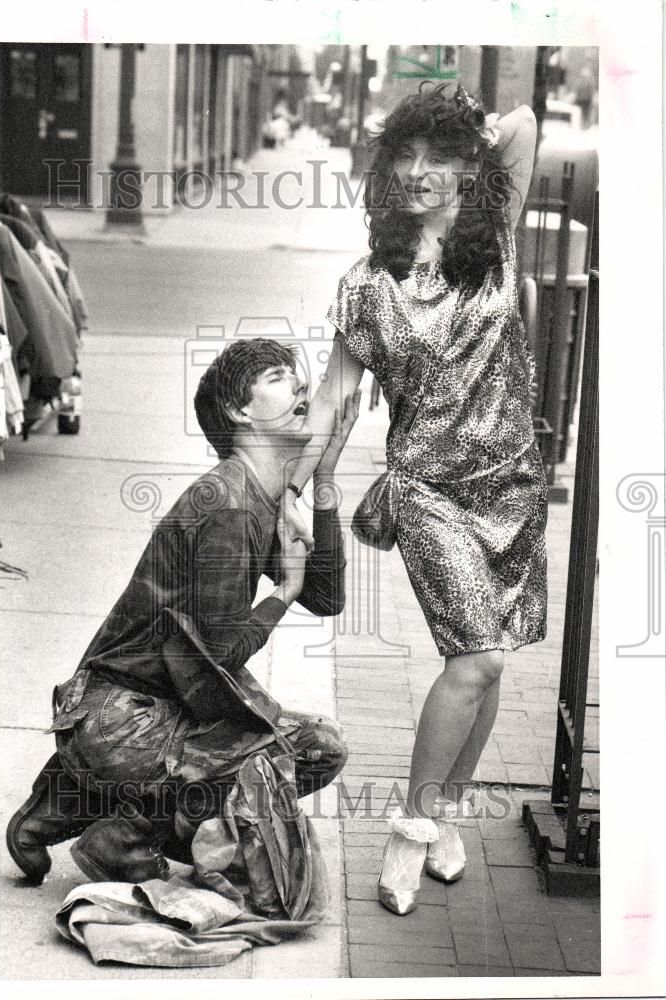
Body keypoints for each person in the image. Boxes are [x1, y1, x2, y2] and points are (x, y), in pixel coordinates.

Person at [283, 82, 545, 915]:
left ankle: (451, 813)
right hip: (426, 487)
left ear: (471, 167)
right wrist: (293, 488)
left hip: (509, 482)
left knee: (489, 653)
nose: (420, 172)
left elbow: (525, 126)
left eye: (439, 157)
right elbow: (330, 396)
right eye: (406, 155)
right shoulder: (368, 285)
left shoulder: (496, 242)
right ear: (386, 166)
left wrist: (460, 122)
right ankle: (411, 827)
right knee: (478, 657)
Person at [6, 338, 359, 887]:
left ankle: (61, 805)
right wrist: (283, 590)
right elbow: (222, 652)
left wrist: (327, 478)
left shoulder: (256, 496)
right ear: (240, 410)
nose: (302, 389)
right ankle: (120, 839)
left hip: (130, 710)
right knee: (296, 754)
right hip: (121, 715)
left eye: (302, 382)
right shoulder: (228, 504)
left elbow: (328, 598)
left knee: (294, 740)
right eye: (279, 377)